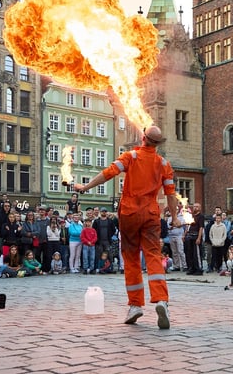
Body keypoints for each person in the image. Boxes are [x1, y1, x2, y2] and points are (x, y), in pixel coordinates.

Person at [74, 125, 180, 329]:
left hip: (130, 212)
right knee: (153, 256)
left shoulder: (131, 156)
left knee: (131, 258)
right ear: (157, 144)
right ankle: (161, 300)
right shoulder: (164, 163)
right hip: (151, 213)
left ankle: (135, 305)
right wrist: (174, 217)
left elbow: (108, 173)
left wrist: (85, 187)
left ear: (143, 138)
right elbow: (170, 194)